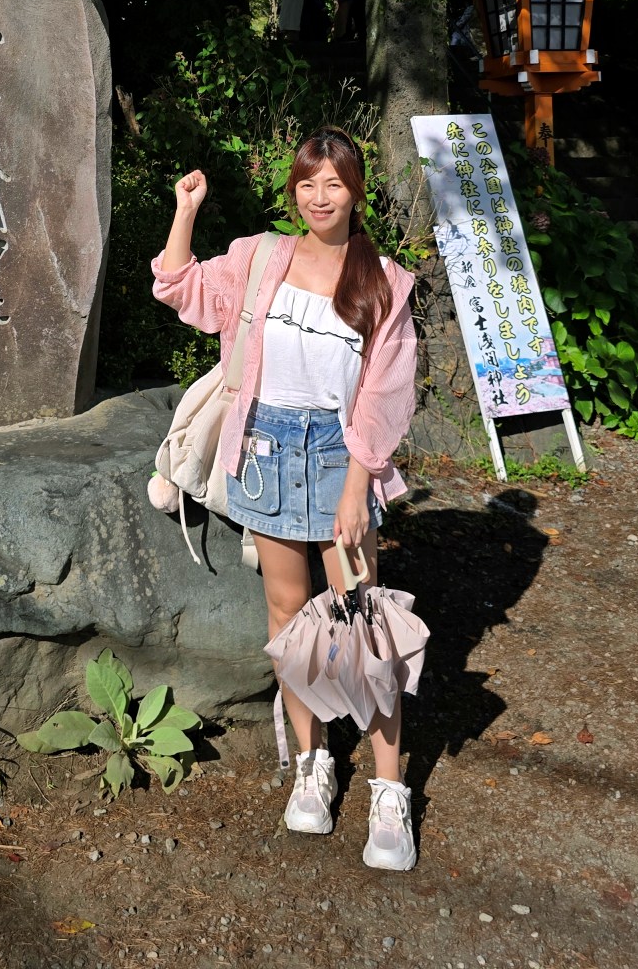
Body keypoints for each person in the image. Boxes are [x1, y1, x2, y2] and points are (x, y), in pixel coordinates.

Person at [151, 126, 419, 870]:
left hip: (340, 457)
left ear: (355, 190)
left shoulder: (384, 281)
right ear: (293, 189)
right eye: (307, 182)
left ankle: (390, 792)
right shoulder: (261, 257)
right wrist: (185, 213)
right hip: (264, 449)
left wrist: (358, 486)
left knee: (363, 623)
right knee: (288, 616)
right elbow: (181, 288)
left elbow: (386, 395)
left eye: (333, 183)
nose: (318, 196)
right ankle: (313, 765)